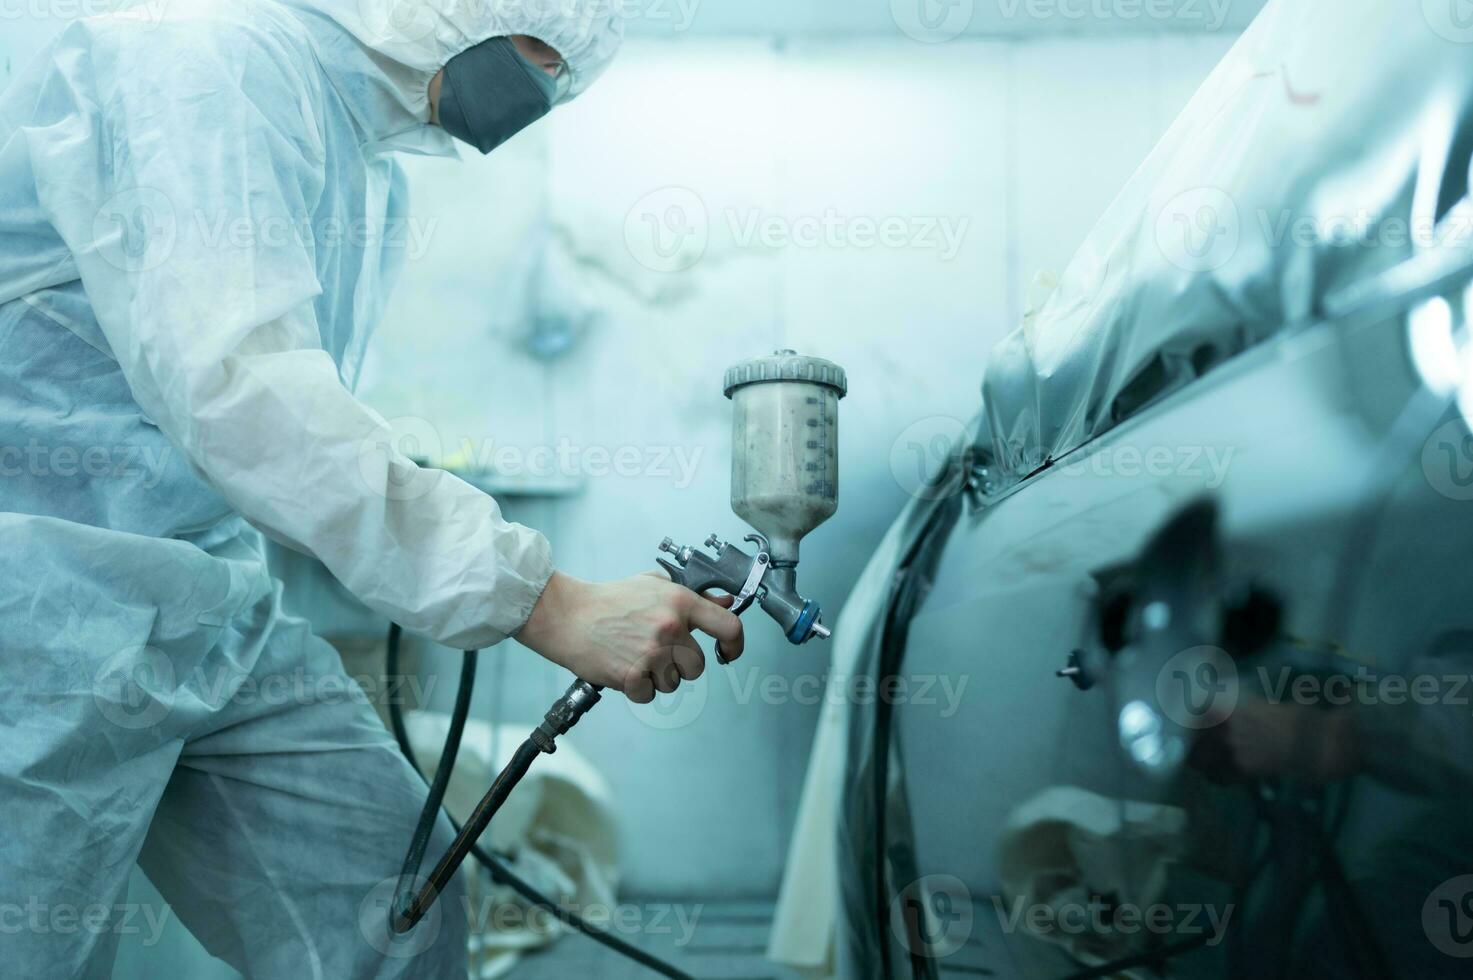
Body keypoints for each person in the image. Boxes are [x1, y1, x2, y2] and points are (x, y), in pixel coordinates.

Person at [0, 0, 743, 975]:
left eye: (562, 77)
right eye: (538, 53)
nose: (540, 93)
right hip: (35, 603)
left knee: (394, 900)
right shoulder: (203, 52)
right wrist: (543, 600)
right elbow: (240, 387)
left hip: (204, 600)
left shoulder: (362, 166)